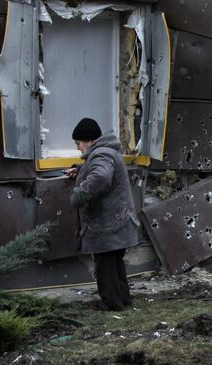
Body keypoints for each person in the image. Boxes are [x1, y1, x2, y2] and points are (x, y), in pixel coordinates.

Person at [65, 118, 139, 311]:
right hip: (116, 221)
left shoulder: (100, 154)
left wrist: (78, 195)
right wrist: (81, 170)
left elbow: (101, 177)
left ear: (88, 141)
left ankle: (111, 304)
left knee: (105, 265)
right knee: (115, 263)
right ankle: (123, 300)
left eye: (78, 143)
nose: (78, 148)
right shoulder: (107, 152)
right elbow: (102, 172)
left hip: (106, 224)